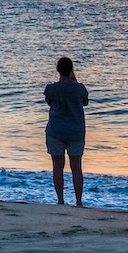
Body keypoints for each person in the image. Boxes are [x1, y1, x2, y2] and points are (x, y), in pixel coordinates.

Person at [44, 57, 89, 206]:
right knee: (76, 167)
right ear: (71, 70)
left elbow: (50, 102)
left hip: (56, 130)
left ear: (58, 70)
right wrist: (73, 78)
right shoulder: (79, 88)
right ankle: (78, 201)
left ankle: (60, 200)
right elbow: (85, 102)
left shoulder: (51, 89)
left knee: (58, 166)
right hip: (75, 130)